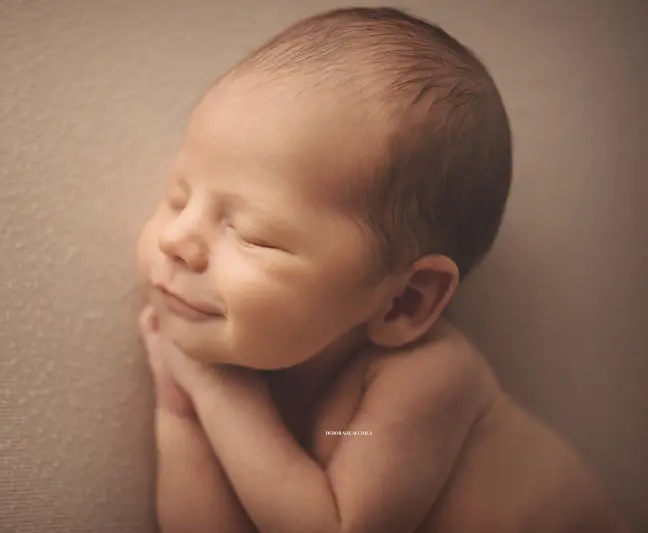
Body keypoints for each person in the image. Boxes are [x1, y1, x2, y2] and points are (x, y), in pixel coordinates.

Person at [136, 7, 632, 532]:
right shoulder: (271, 358)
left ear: (405, 300)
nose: (175, 239)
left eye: (254, 234)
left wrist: (214, 392)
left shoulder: (426, 379)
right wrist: (181, 415)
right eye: (178, 198)